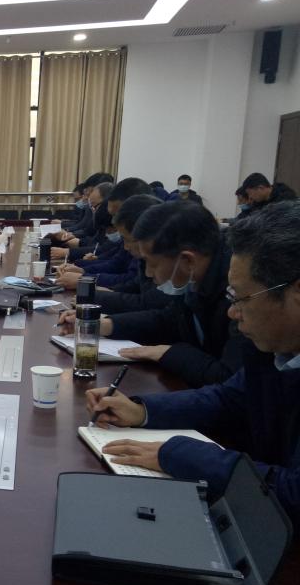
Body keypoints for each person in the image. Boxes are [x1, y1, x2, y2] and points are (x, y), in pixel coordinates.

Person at [86, 201, 300, 525]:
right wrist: (143, 411)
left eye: (242, 298)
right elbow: (229, 396)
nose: (233, 312)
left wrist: (180, 454)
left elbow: (294, 493)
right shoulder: (274, 345)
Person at [58, 200, 245, 388]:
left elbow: (229, 378)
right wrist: (103, 325)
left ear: (188, 260)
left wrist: (169, 353)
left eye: (152, 264)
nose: (148, 273)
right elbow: (169, 319)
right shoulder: (196, 279)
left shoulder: (239, 294)